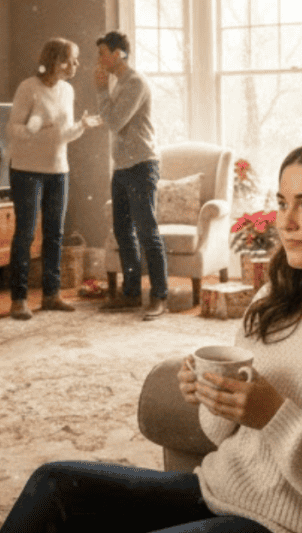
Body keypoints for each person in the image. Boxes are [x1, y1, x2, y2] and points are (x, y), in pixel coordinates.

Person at [0, 140, 302, 533]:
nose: (286, 222)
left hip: (292, 527)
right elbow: (217, 437)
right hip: (220, 492)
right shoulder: (277, 298)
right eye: (282, 202)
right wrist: (212, 396)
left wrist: (275, 417)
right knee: (53, 485)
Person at [6, 37, 102, 320]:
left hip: (58, 170)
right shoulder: (28, 88)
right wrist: (35, 128)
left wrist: (80, 126)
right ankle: (19, 299)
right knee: (24, 235)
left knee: (55, 234)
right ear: (56, 61)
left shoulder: (68, 91)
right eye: (71, 59)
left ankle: (51, 294)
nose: (76, 65)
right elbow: (13, 129)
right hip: (26, 170)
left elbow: (63, 135)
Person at [93, 30, 169, 321]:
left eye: (102, 53)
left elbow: (113, 121)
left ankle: (160, 296)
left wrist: (100, 91)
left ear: (118, 54)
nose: (99, 60)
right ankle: (131, 293)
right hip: (122, 167)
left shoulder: (135, 82)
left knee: (147, 231)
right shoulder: (120, 83)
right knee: (123, 230)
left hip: (141, 166)